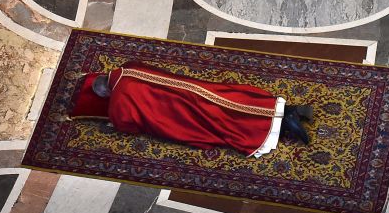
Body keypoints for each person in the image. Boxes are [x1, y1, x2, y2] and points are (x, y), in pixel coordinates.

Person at [83, 62, 312, 157]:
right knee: (227, 97)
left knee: (216, 122)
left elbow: (128, 124)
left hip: (179, 110)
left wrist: (112, 123)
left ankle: (284, 125)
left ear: (106, 92)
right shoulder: (128, 67)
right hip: (191, 88)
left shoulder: (118, 100)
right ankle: (287, 109)